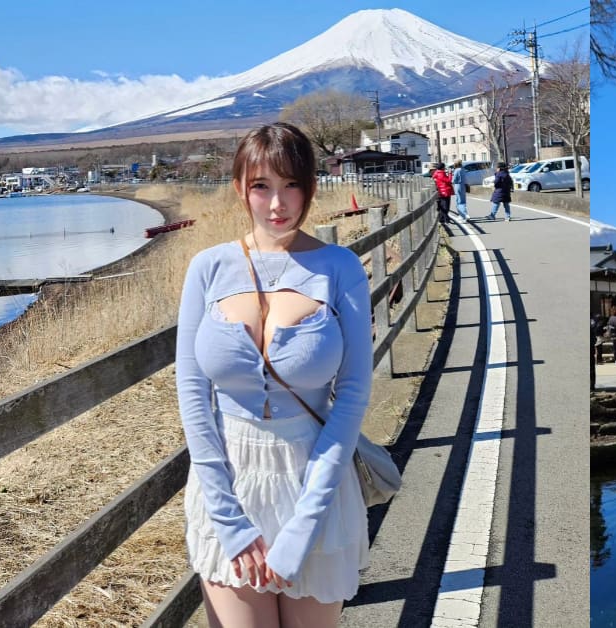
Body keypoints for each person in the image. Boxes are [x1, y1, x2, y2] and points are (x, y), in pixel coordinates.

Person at [175, 122, 372, 627]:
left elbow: (351, 394)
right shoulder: (208, 267)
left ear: (309, 187)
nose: (277, 203)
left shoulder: (339, 266)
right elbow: (194, 395)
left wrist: (305, 525)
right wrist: (229, 521)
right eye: (262, 186)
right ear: (242, 187)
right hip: (229, 480)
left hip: (314, 477)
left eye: (291, 185)